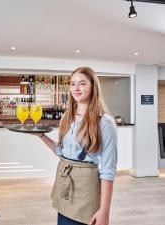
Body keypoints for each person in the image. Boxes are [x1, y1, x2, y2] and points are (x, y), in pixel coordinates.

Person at [33, 67, 117, 225]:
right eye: (73, 84)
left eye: (82, 83)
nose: (76, 88)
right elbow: (61, 151)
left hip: (86, 189)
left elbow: (108, 171)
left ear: (93, 86)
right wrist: (41, 136)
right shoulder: (67, 116)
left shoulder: (105, 123)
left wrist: (104, 211)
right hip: (64, 183)